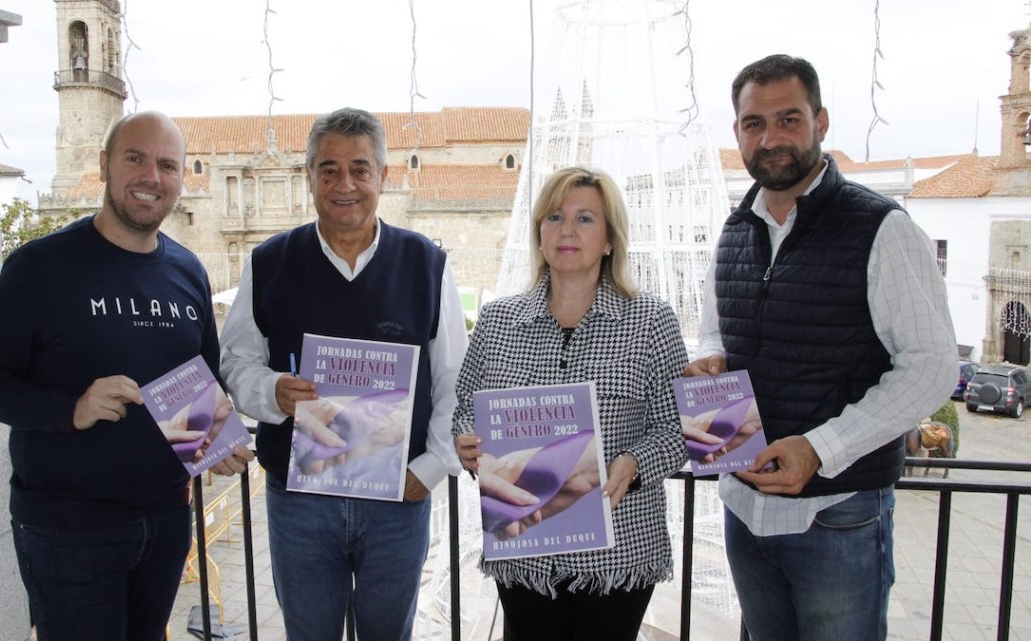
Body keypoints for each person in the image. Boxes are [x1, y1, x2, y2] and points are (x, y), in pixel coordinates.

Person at [0, 111, 254, 641]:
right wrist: (70, 409)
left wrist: (215, 435)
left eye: (167, 165)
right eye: (134, 158)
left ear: (183, 179)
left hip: (165, 519)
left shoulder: (187, 271)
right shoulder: (40, 267)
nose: (151, 177)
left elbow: (200, 377)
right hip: (69, 528)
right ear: (104, 166)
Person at [684, 54, 958, 641]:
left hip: (838, 516)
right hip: (744, 507)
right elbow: (714, 329)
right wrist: (710, 356)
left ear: (821, 122)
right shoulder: (735, 230)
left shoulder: (882, 228)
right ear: (737, 134)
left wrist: (820, 447)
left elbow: (933, 369)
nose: (771, 137)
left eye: (789, 119)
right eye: (755, 123)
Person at [219, 106, 467, 641]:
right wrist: (272, 393)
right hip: (299, 501)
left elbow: (454, 378)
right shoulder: (269, 262)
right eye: (328, 169)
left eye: (360, 168)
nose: (344, 183)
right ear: (309, 177)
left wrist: (430, 469)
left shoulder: (427, 263)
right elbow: (235, 363)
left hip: (397, 501)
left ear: (383, 175)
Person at [453, 166, 689, 641]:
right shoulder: (499, 321)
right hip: (523, 548)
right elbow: (465, 406)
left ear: (609, 239)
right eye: (555, 216)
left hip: (617, 552)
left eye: (585, 219)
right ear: (539, 233)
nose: (566, 229)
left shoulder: (651, 322)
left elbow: (678, 427)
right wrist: (466, 442)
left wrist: (635, 461)